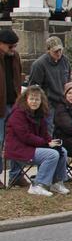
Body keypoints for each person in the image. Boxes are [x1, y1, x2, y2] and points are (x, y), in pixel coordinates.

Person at [4, 85, 69, 197]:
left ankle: (56, 182)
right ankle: (37, 185)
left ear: (41, 100)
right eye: (32, 99)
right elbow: (25, 136)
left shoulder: (39, 114)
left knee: (61, 150)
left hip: (33, 146)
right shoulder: (18, 114)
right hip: (19, 149)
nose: (34, 102)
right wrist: (46, 144)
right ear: (26, 99)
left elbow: (44, 134)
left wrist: (51, 142)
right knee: (52, 154)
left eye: (37, 99)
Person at [0, 28, 29, 186]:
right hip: (0, 107)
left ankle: (16, 175)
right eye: (10, 46)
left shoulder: (15, 57)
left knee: (18, 138)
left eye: (15, 46)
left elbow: (19, 78)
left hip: (14, 104)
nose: (13, 49)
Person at [28, 36, 72, 131]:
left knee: (65, 127)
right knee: (49, 128)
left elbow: (68, 81)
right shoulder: (39, 64)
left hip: (63, 101)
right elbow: (33, 87)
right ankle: (48, 145)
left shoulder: (65, 61)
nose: (59, 53)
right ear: (48, 50)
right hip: (48, 103)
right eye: (56, 51)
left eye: (60, 50)